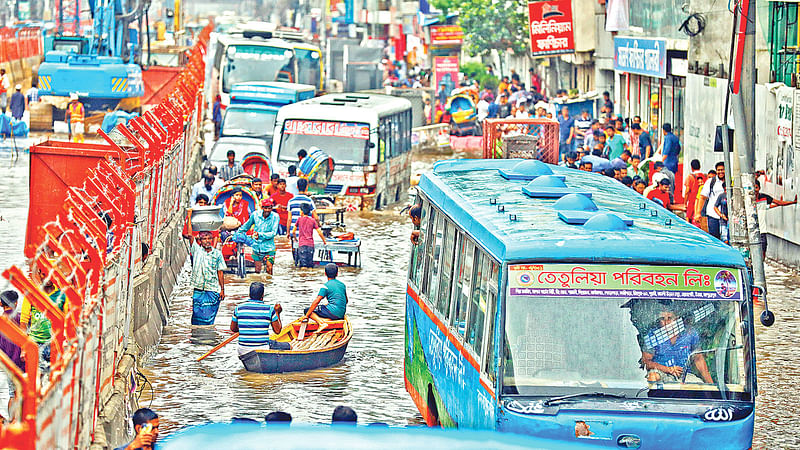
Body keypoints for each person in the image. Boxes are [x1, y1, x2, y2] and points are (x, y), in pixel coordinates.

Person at [641, 306, 713, 384]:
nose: (666, 323)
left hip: (684, 375)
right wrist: (669, 369)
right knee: (653, 377)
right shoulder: (653, 336)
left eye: (669, 318)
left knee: (700, 387)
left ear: (677, 319)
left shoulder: (689, 333)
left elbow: (698, 359)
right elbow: (647, 363)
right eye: (662, 319)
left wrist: (713, 387)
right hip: (661, 373)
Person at [20, 269, 67, 369]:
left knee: (54, 376)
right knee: (37, 377)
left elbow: (68, 319)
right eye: (44, 274)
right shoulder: (32, 294)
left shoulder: (62, 295)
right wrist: (24, 347)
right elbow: (23, 321)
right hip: (35, 343)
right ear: (40, 275)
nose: (48, 278)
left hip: (55, 343)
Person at [185, 218, 226, 326]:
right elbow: (190, 235)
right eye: (204, 239)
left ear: (212, 240)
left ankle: (207, 336)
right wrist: (189, 216)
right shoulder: (196, 250)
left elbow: (220, 272)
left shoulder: (217, 254)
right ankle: (197, 337)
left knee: (209, 318)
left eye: (209, 238)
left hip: (212, 289)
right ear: (200, 241)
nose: (207, 241)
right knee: (196, 317)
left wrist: (222, 289)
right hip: (198, 288)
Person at [230, 282, 288, 355]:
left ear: (249, 294)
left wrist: (246, 327)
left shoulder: (238, 308)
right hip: (263, 348)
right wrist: (277, 312)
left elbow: (233, 329)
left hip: (243, 349)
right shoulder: (269, 309)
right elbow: (277, 331)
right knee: (289, 346)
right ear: (262, 295)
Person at [238, 199, 281, 274]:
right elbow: (247, 226)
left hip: (269, 247)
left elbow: (273, 233)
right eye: (265, 208)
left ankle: (270, 284)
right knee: (257, 270)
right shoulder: (255, 215)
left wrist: (260, 234)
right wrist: (238, 232)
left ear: (272, 208)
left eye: (269, 208)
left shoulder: (275, 216)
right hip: (257, 247)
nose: (267, 210)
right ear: (262, 207)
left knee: (269, 268)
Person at [302, 263, 347, 329]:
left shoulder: (325, 286)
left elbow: (317, 301)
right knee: (324, 308)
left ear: (325, 274)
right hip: (341, 314)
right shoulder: (342, 285)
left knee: (307, 310)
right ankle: (327, 321)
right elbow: (346, 300)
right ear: (337, 274)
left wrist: (306, 316)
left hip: (332, 312)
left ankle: (321, 323)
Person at [697, 162, 726, 240]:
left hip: (726, 216)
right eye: (718, 170)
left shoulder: (731, 181)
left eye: (722, 170)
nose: (720, 172)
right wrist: (698, 213)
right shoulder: (711, 182)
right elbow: (702, 197)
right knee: (714, 238)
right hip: (713, 215)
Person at [293, 203, 326, 268]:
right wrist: (324, 241)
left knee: (303, 266)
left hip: (302, 245)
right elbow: (319, 232)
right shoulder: (312, 220)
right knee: (310, 265)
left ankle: (304, 277)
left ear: (302, 211)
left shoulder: (299, 219)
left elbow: (293, 231)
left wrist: (295, 239)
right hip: (310, 245)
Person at [0, 290, 23, 371]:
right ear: (16, 303)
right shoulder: (22, 319)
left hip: (6, 364)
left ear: (1, 304)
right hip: (21, 362)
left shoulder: (1, 321)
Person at [683, 159, 706, 225]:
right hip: (701, 200)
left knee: (689, 219)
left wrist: (685, 203)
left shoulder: (690, 177)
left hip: (692, 200)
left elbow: (687, 191)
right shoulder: (704, 176)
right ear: (700, 166)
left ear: (691, 167)